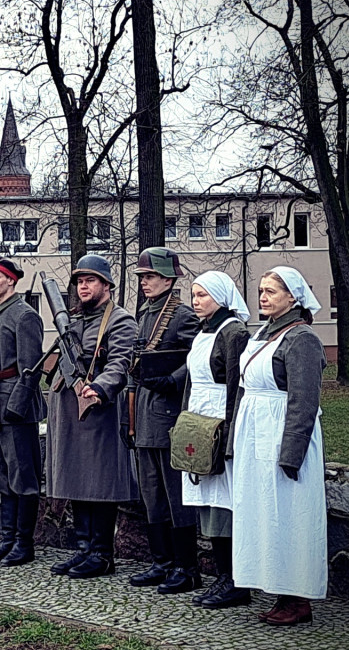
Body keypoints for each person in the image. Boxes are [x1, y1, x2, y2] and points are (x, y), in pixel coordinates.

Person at [231, 266, 327, 626]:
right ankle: (278, 590)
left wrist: (291, 454)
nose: (263, 296)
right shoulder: (262, 334)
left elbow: (304, 401)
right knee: (265, 515)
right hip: (257, 433)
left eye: (272, 291)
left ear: (293, 297)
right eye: (261, 290)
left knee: (291, 516)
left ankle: (297, 599)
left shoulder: (302, 338)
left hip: (283, 434)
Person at [46, 254, 138, 579]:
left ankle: (102, 553)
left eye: (90, 281)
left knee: (98, 483)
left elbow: (120, 364)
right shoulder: (75, 321)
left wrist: (100, 387)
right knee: (75, 479)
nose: (83, 287)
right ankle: (83, 548)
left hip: (98, 412)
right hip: (70, 411)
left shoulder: (120, 320)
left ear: (106, 285)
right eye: (80, 282)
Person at [127, 247, 203, 594]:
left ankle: (186, 567)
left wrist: (172, 380)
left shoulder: (182, 316)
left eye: (151, 276)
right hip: (143, 414)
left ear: (169, 279)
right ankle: (161, 562)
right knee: (152, 495)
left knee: (175, 495)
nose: (145, 283)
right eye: (142, 277)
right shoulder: (145, 315)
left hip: (169, 415)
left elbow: (197, 358)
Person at [182, 271, 252, 609]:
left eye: (203, 296)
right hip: (199, 422)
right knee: (209, 503)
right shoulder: (202, 332)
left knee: (225, 505)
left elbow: (237, 387)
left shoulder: (234, 333)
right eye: (194, 296)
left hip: (220, 425)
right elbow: (191, 384)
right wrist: (185, 427)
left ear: (221, 297)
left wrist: (229, 438)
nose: (196, 302)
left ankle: (236, 581)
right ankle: (223, 577)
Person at [0, 256, 45, 567]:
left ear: (11, 281)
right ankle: (6, 538)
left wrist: (17, 405)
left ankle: (23, 543)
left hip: (15, 406)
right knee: (1, 475)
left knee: (21, 475)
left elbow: (30, 367)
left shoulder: (24, 315)